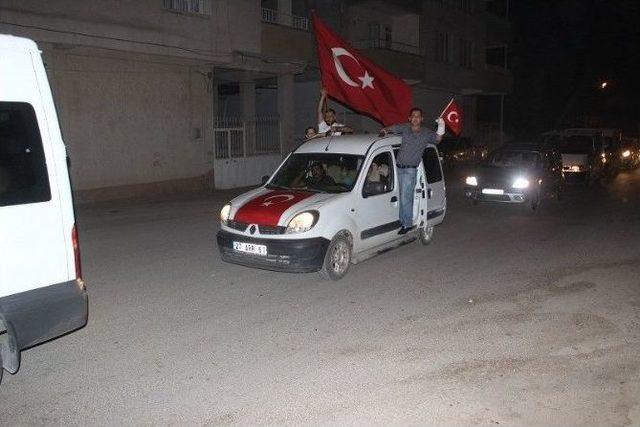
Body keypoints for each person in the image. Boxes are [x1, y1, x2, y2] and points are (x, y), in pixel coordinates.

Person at [380, 108, 445, 234]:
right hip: (398, 167)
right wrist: (385, 129)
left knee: (406, 197)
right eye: (413, 116)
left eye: (418, 116)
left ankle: (407, 224)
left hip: (410, 170)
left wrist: (441, 125)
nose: (415, 118)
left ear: (422, 119)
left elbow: (437, 140)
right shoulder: (405, 128)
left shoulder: (426, 133)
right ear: (409, 118)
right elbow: (392, 128)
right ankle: (402, 220)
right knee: (401, 196)